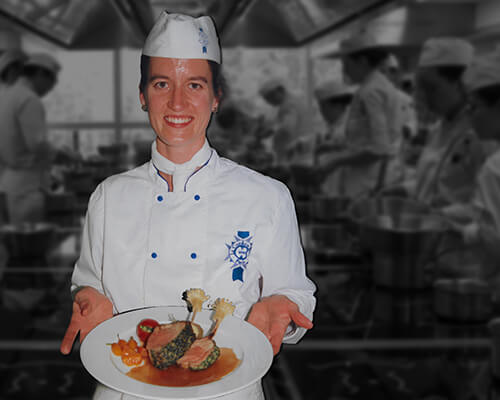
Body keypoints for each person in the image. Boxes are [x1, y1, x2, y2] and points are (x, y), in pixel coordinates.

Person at [59, 11, 316, 400]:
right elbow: (88, 279)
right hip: (125, 389)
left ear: (216, 99)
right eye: (162, 83)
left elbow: (296, 296)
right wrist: (89, 296)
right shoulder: (108, 196)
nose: (177, 101)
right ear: (143, 96)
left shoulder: (267, 197)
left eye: (194, 85)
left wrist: (281, 304)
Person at [315, 33, 408, 197]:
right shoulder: (373, 87)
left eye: (347, 65)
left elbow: (378, 148)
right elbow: (365, 137)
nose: (345, 71)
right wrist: (336, 147)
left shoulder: (371, 91)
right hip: (369, 177)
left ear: (362, 61)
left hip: (370, 180)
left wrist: (336, 162)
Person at [402, 38, 485, 208]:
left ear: (461, 83)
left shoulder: (483, 134)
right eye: (421, 88)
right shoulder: (439, 128)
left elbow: (485, 206)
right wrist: (404, 190)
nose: (425, 97)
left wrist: (439, 216)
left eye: (431, 88)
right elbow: (437, 185)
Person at [0, 52, 70, 224]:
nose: (50, 88)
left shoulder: (8, 95)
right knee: (29, 245)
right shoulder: (29, 99)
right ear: (39, 74)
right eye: (51, 82)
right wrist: (65, 156)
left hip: (11, 185)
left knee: (16, 243)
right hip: (27, 188)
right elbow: (37, 145)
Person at [448, 51, 500, 281]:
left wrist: (464, 232)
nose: (470, 117)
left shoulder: (494, 167)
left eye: (474, 107)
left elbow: (494, 238)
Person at [313, 80, 356, 195]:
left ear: (337, 105)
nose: (321, 111)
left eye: (323, 107)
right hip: (332, 187)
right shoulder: (334, 126)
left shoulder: (350, 125)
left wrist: (332, 146)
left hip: (347, 188)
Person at [258, 78, 305, 165]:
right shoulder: (288, 103)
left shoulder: (289, 105)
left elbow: (287, 128)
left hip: (290, 153)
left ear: (279, 91)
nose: (270, 102)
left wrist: (270, 131)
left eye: (270, 98)